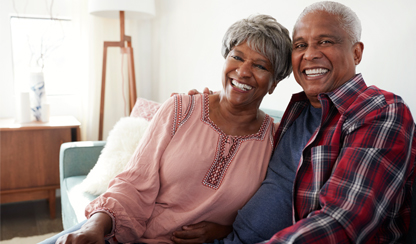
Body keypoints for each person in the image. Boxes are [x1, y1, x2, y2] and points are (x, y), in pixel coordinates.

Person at [173, 1, 416, 243]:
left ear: (356, 52)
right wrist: (206, 108)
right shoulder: (296, 114)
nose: (310, 54)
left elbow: (340, 224)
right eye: (300, 45)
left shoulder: (379, 112)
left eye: (325, 41)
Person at [41, 14, 293, 244]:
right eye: (237, 56)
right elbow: (133, 184)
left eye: (260, 66)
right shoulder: (180, 108)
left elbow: (265, 215)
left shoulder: (276, 140)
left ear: (274, 82)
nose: (243, 71)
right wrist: (94, 226)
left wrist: (224, 229)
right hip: (123, 230)